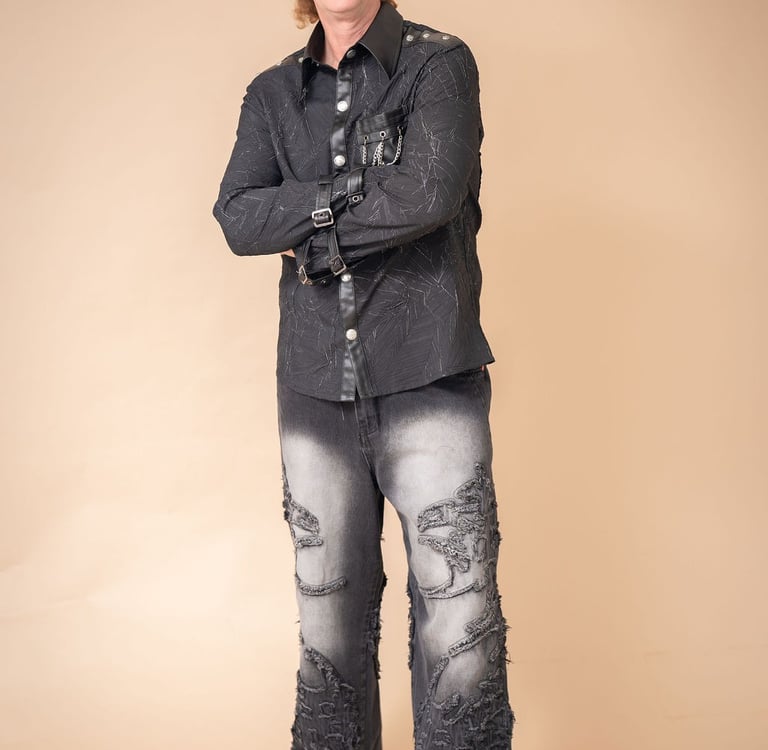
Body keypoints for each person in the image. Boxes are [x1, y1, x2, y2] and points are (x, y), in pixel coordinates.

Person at [212, 0, 515, 747]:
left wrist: (310, 234)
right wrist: (348, 192)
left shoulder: (438, 63)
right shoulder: (272, 93)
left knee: (460, 622)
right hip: (314, 391)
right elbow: (238, 216)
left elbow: (429, 192)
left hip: (430, 379)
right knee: (327, 626)